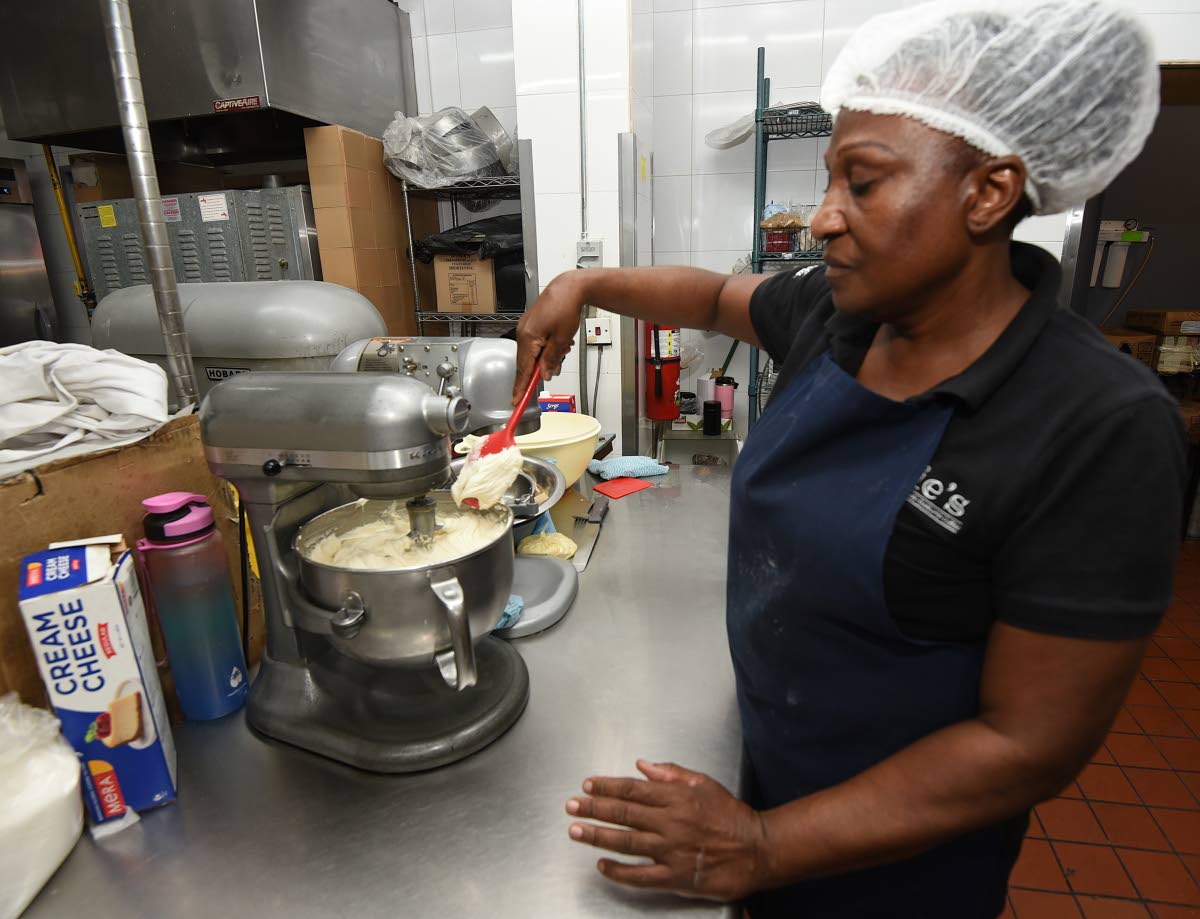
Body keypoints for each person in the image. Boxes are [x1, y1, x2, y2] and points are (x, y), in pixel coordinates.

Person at [512, 1, 1182, 916]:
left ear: (988, 193)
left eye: (862, 184)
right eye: (832, 180)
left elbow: (1030, 743)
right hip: (760, 768)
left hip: (896, 864)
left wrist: (763, 844)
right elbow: (708, 295)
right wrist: (581, 284)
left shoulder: (1097, 425)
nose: (824, 219)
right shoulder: (837, 318)